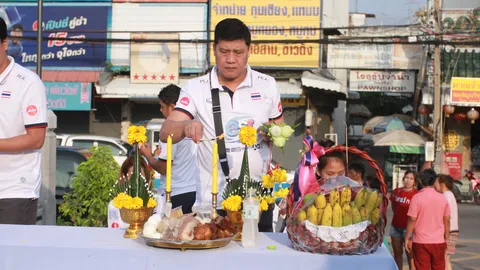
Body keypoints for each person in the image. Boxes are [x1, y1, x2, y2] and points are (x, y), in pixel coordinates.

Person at [159, 18, 284, 232]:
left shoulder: (268, 85)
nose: (231, 59)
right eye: (224, 51)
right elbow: (165, 132)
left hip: (258, 200)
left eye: (238, 52)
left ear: (249, 50)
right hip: (213, 204)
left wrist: (274, 133)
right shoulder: (196, 88)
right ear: (214, 49)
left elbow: (279, 126)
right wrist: (186, 127)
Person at [0, 18, 47, 225]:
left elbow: (36, 138)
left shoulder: (28, 82)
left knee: (10, 256)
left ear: (4, 44)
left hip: (13, 189)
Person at [140, 84, 198, 214]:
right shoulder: (195, 125)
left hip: (175, 193)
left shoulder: (169, 130)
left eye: (162, 107)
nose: (161, 110)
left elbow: (164, 167)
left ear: (172, 107)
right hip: (195, 192)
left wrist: (148, 155)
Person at [405, 169, 450, 270]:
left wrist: (407, 238)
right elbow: (447, 220)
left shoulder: (416, 198)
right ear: (434, 181)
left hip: (421, 241)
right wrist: (446, 238)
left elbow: (412, 219)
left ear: (420, 181)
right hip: (439, 241)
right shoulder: (442, 198)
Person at [107, 156, 155, 229]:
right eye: (132, 175)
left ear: (146, 176)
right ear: (124, 177)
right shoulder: (115, 205)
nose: (136, 180)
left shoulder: (154, 202)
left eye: (141, 174)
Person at [389, 170, 418, 270]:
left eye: (411, 179)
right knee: (397, 254)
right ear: (403, 179)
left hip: (409, 229)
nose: (408, 181)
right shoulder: (396, 191)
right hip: (395, 227)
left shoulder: (417, 194)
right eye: (406, 178)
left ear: (414, 181)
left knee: (411, 256)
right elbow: (393, 207)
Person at [435, 174, 459, 270]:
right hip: (451, 230)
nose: (434, 184)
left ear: (442, 183)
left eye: (436, 182)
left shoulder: (446, 195)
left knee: (444, 258)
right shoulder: (448, 194)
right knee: (446, 258)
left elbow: (447, 217)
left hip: (448, 231)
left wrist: (445, 234)